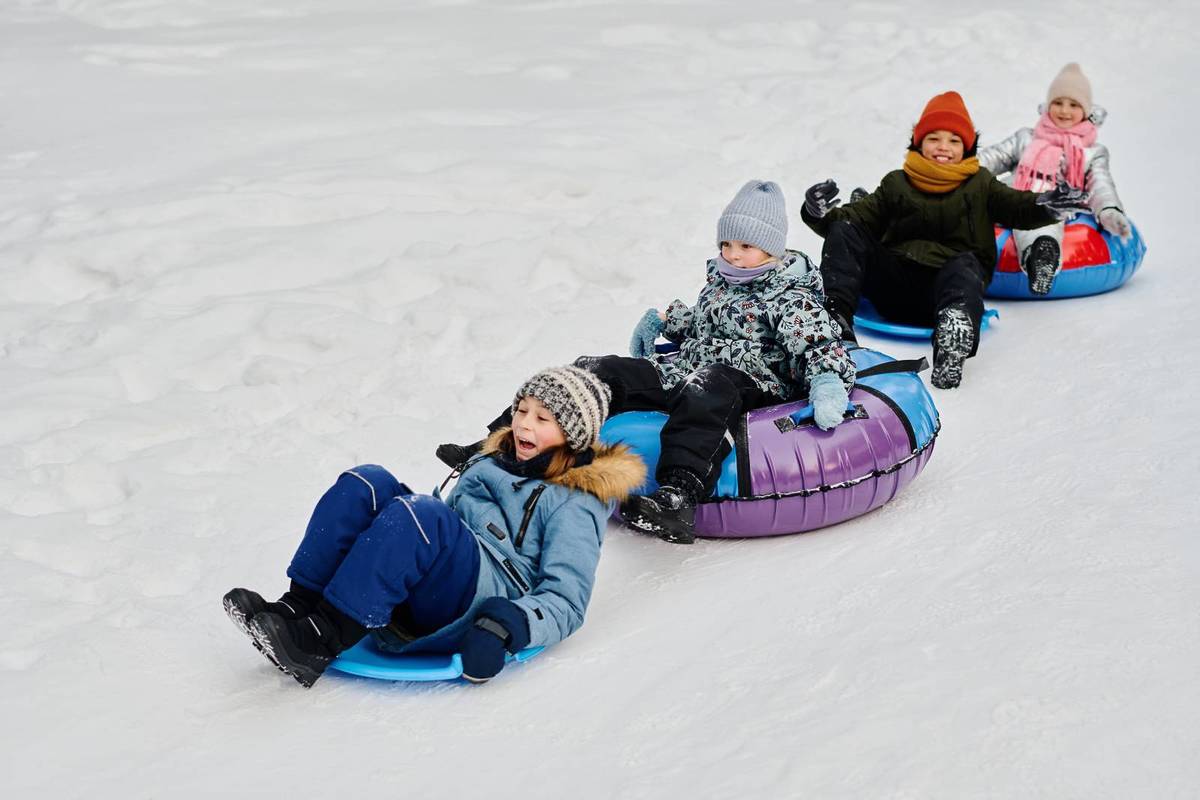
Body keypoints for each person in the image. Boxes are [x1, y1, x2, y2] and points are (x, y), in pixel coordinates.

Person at [439, 180, 855, 545]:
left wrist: (827, 382)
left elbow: (818, 344)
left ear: (771, 249)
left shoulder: (791, 296)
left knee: (706, 387)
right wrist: (666, 320)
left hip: (751, 378)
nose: (732, 255)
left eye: (745, 246)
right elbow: (703, 322)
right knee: (601, 368)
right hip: (692, 364)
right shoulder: (722, 280)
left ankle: (678, 494)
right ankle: (500, 443)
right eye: (726, 244)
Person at [223, 366, 645, 688]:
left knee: (422, 516)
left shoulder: (577, 500)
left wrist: (507, 626)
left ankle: (320, 638)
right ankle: (300, 607)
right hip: (445, 570)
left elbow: (567, 602)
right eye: (521, 410)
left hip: (476, 601)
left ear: (572, 435)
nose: (524, 425)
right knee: (366, 483)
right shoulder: (491, 460)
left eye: (543, 419)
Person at [802, 90, 1087, 389]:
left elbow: (1018, 206)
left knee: (966, 264)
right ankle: (834, 321)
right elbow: (855, 220)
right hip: (893, 285)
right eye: (934, 138)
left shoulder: (981, 184)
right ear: (919, 142)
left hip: (946, 290)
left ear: (967, 147)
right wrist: (818, 214)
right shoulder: (896, 183)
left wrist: (1048, 204)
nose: (943, 147)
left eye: (954, 140)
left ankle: (954, 332)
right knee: (847, 228)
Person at [978, 63, 1129, 294]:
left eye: (1073, 104)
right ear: (1048, 106)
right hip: (1013, 197)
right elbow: (992, 158)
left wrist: (1109, 210)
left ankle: (1040, 258)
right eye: (1057, 103)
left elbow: (1100, 184)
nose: (1064, 111)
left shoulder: (1091, 152)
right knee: (974, 207)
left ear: (1086, 111)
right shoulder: (1026, 138)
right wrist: (958, 168)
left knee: (1039, 220)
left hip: (1053, 206)